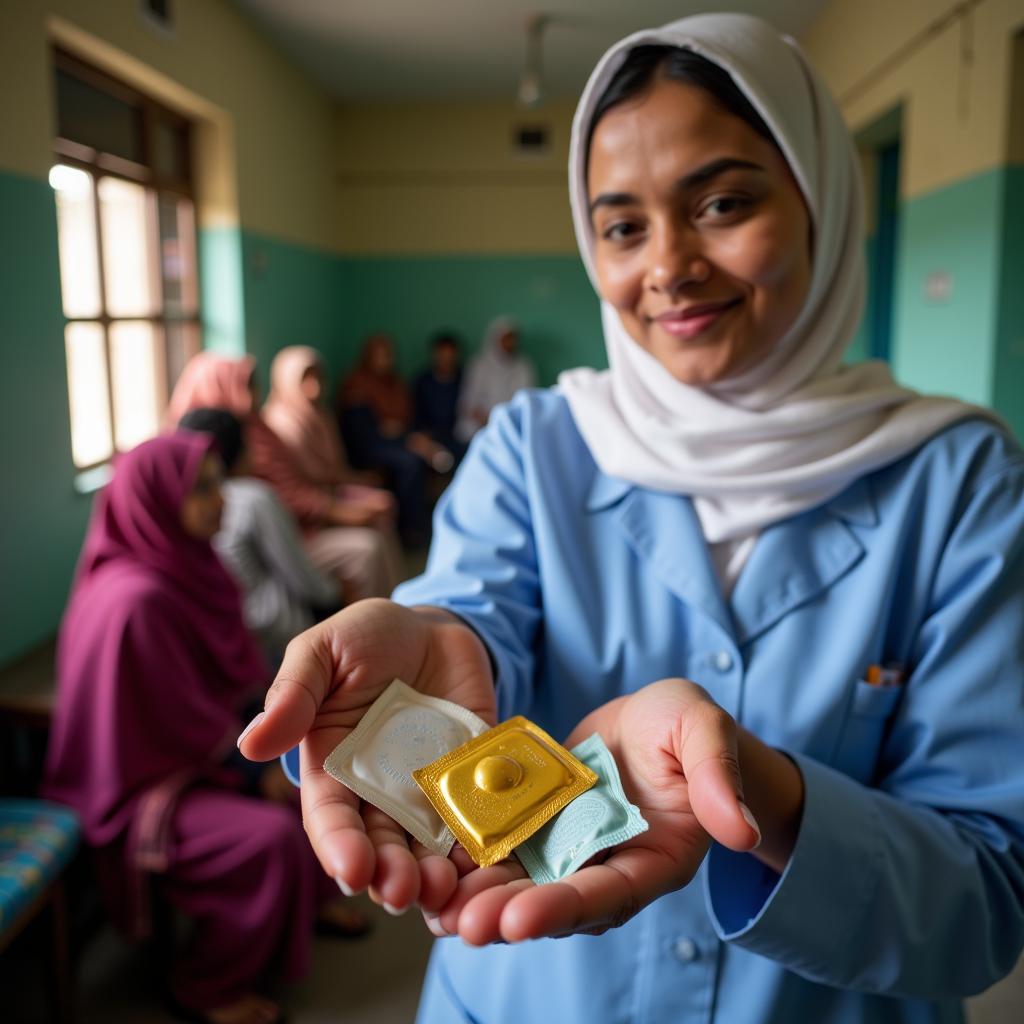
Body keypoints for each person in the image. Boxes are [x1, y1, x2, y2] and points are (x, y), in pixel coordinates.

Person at [238, 13, 1024, 1024]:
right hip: (521, 988)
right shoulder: (535, 443)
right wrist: (439, 638)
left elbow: (989, 896)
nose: (668, 265)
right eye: (621, 225)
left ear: (823, 200)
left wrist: (759, 789)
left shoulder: (959, 481)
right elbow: (474, 610)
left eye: (724, 202)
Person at [42, 434, 366, 1024]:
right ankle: (205, 987)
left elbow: (222, 684)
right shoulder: (136, 600)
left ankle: (309, 903)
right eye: (203, 489)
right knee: (266, 838)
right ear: (157, 500)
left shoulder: (188, 565)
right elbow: (169, 725)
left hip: (192, 752)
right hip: (139, 786)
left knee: (312, 773)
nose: (222, 500)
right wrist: (248, 776)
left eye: (219, 481)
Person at [166, 351, 402, 602]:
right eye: (245, 385)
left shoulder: (257, 427)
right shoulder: (210, 456)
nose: (253, 393)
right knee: (367, 548)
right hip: (285, 540)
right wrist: (332, 590)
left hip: (293, 525)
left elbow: (297, 483)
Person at [178, 407, 342, 664]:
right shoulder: (251, 498)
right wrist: (336, 596)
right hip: (275, 638)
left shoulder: (180, 507)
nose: (221, 501)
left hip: (225, 645)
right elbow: (298, 573)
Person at [336, 335, 452, 543]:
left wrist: (401, 432)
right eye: (381, 356)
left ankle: (424, 524)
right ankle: (412, 530)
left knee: (426, 453)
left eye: (389, 355)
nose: (386, 361)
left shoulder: (395, 383)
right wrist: (389, 429)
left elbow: (406, 419)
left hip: (398, 441)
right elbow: (361, 431)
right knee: (411, 462)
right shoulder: (357, 382)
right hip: (368, 447)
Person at [454, 316, 536, 443]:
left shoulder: (523, 367)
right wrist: (490, 422)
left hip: (512, 425)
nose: (510, 343)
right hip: (479, 426)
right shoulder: (479, 365)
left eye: (513, 339)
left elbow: (527, 400)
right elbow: (468, 402)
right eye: (506, 339)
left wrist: (506, 423)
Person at [413, 331, 466, 461]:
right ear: (435, 355)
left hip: (458, 436)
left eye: (450, 356)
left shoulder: (465, 379)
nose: (446, 360)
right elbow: (416, 413)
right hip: (431, 437)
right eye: (442, 355)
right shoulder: (423, 381)